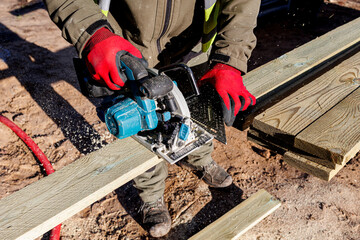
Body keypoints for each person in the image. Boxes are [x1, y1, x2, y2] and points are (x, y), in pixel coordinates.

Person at [44, 0, 260, 237]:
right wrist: (92, 33)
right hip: (121, 43)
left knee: (192, 109)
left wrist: (229, 58)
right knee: (142, 130)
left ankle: (198, 157)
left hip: (190, 41)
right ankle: (151, 194)